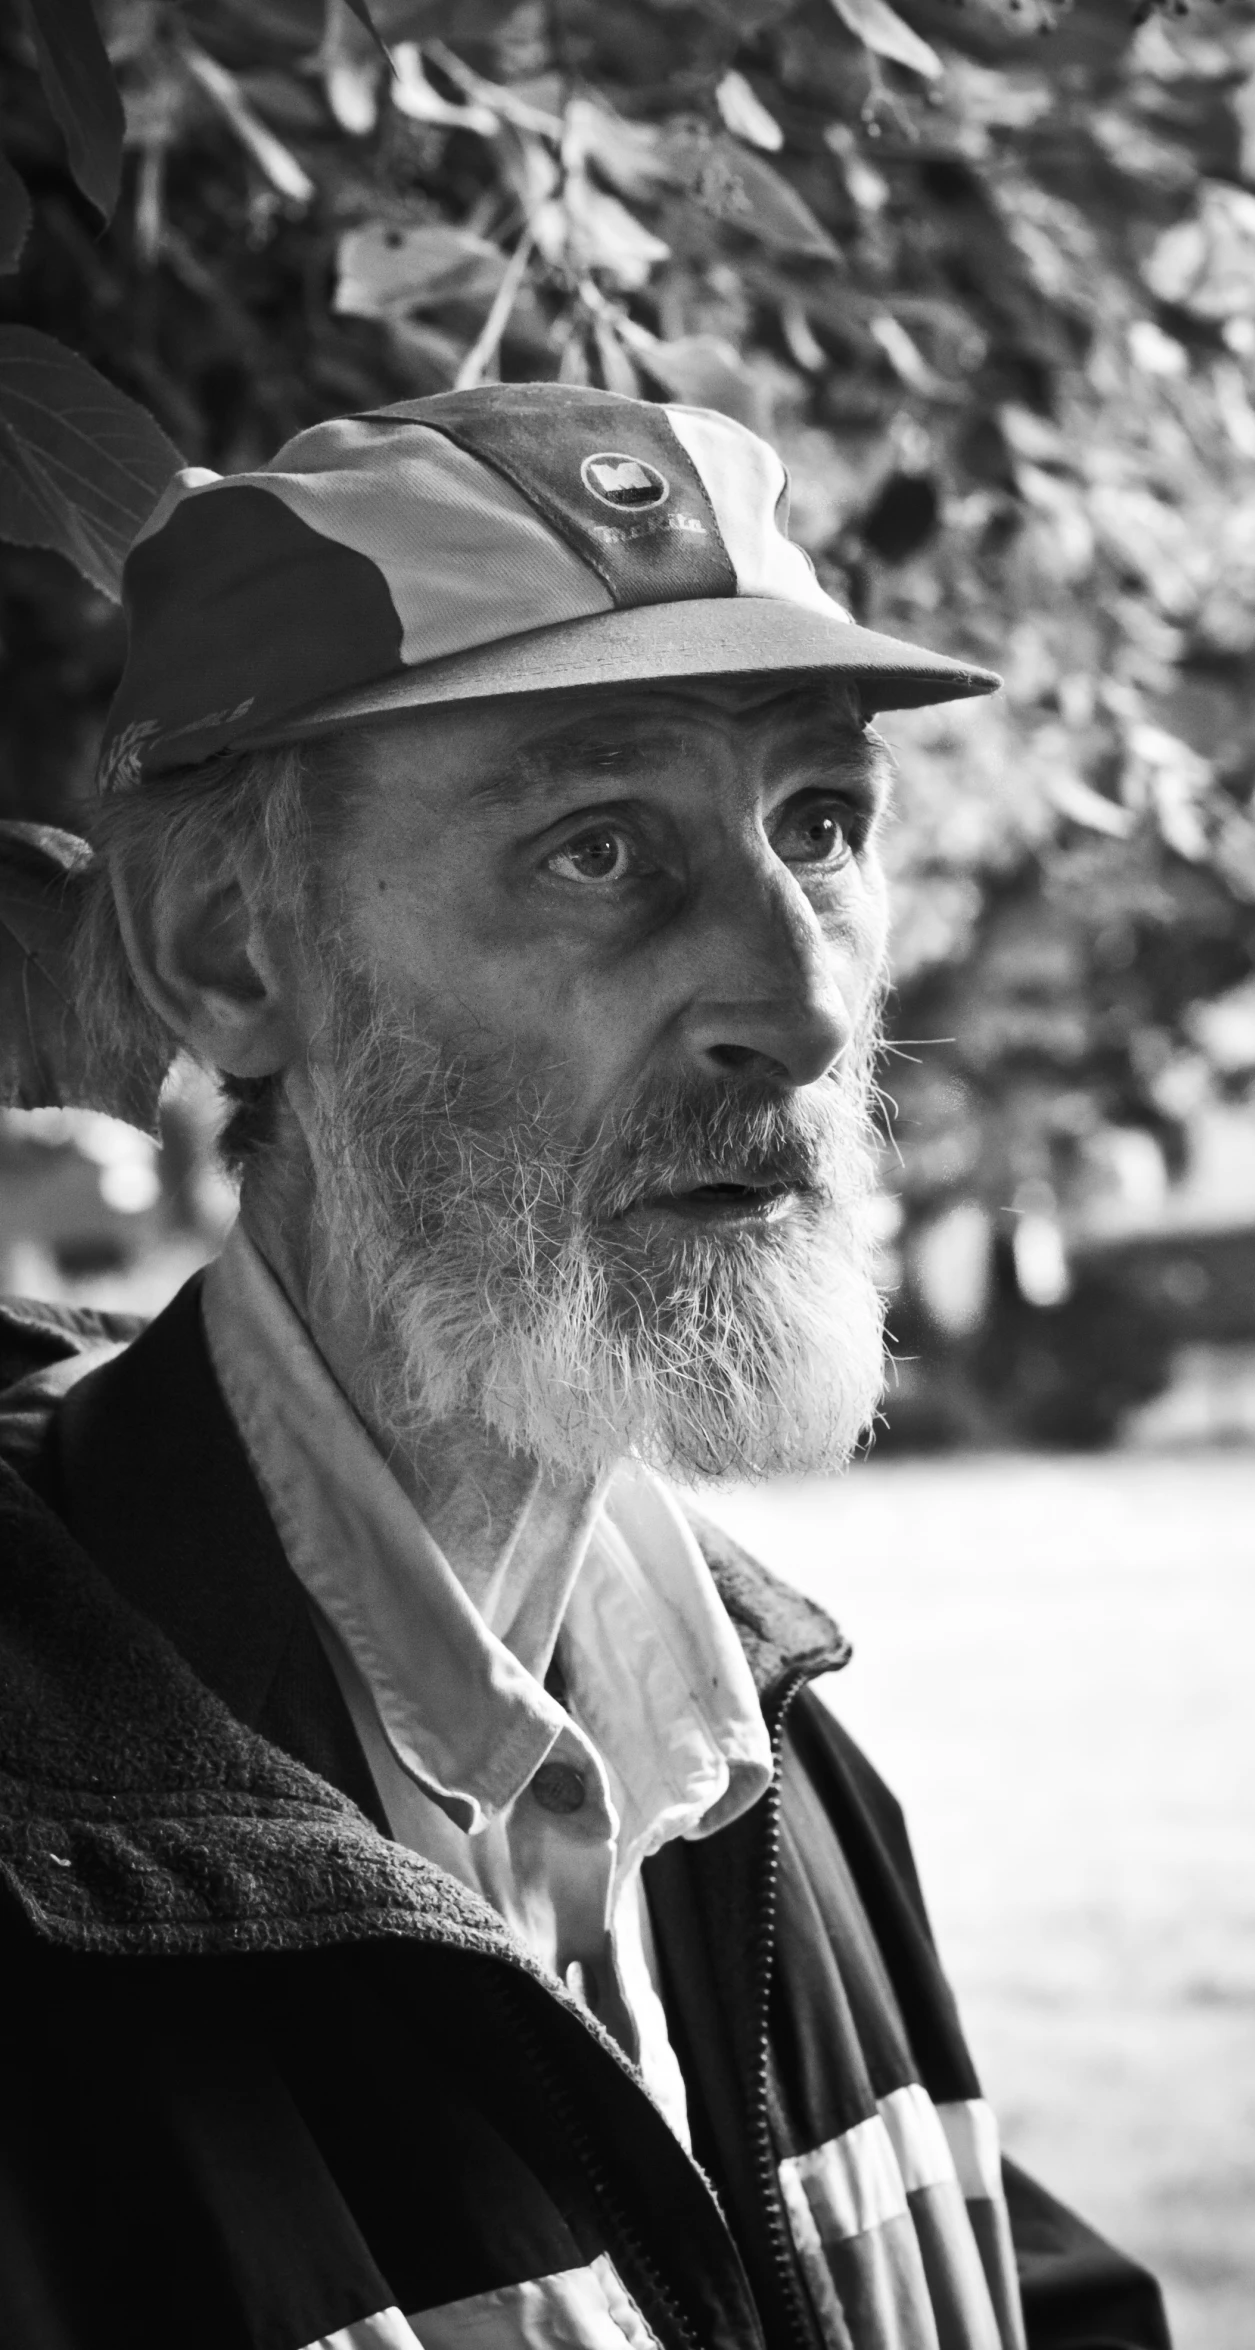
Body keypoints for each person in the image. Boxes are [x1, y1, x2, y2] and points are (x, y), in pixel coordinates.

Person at [0, 383, 1171, 2350]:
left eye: (819, 821)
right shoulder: (48, 1862)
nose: (800, 1003)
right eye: (601, 847)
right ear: (228, 950)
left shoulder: (773, 1767)